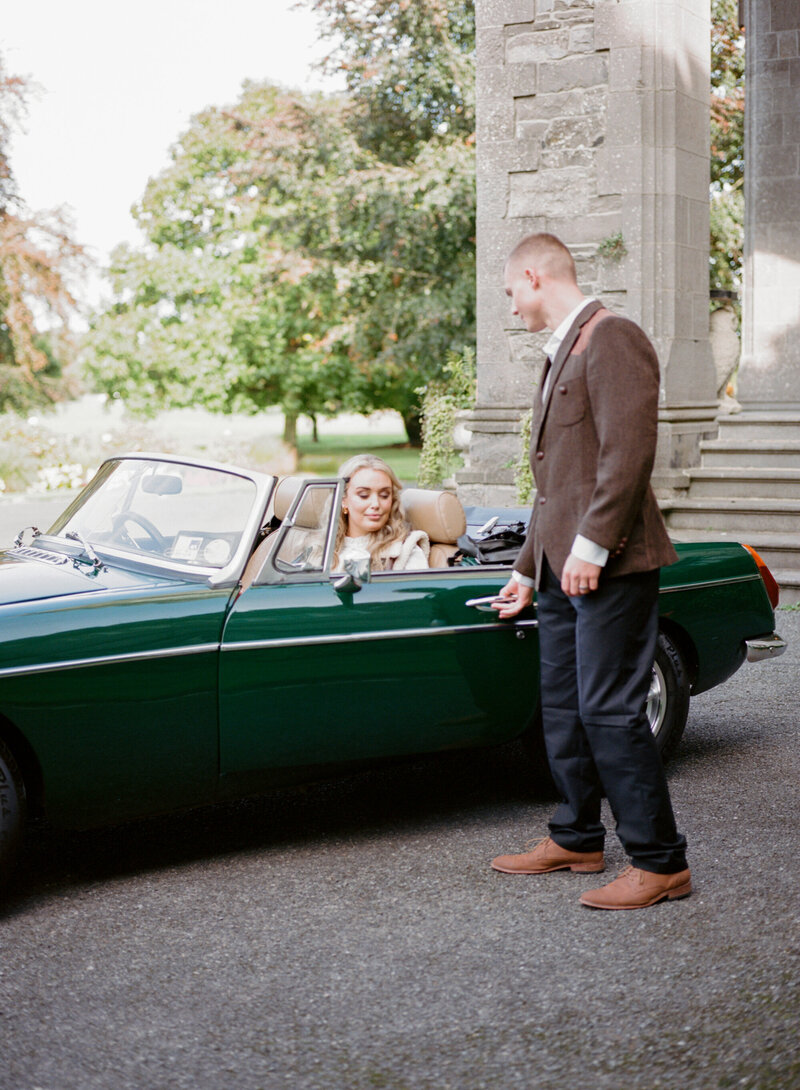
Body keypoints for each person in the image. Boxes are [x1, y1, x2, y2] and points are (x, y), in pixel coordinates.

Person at [490, 232, 691, 911]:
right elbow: (556, 487)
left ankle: (661, 862)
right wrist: (527, 568)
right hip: (559, 572)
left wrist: (593, 546)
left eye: (511, 292)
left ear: (534, 275)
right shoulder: (561, 351)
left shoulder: (613, 336)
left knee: (609, 710)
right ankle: (576, 836)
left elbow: (628, 456)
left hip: (611, 566)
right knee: (562, 710)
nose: (512, 306)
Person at [334, 453, 430, 572]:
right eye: (364, 495)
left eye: (384, 495)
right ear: (343, 500)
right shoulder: (320, 548)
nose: (375, 504)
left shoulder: (406, 551)